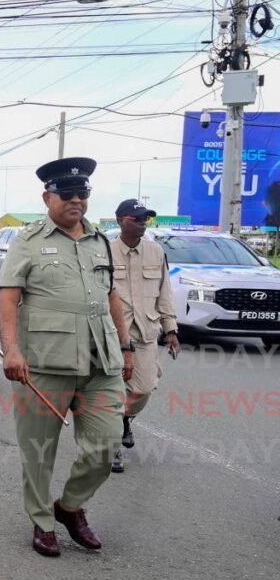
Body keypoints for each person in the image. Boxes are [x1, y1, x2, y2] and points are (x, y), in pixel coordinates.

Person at [0, 157, 132, 558]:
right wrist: (12, 349)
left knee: (105, 445)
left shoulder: (99, 240)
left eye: (83, 193)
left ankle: (69, 507)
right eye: (67, 193)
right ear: (47, 196)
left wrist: (125, 347)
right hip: (45, 362)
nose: (76, 200)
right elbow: (8, 296)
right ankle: (41, 522)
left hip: (100, 361)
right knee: (39, 452)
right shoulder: (28, 240)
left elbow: (111, 297)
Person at [109, 199, 180, 472]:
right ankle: (112, 445)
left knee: (144, 388)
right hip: (112, 334)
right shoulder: (104, 252)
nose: (141, 223)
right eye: (136, 218)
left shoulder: (155, 251)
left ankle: (125, 420)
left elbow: (165, 292)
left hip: (146, 333)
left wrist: (171, 328)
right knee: (113, 391)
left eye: (145, 219)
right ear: (120, 221)